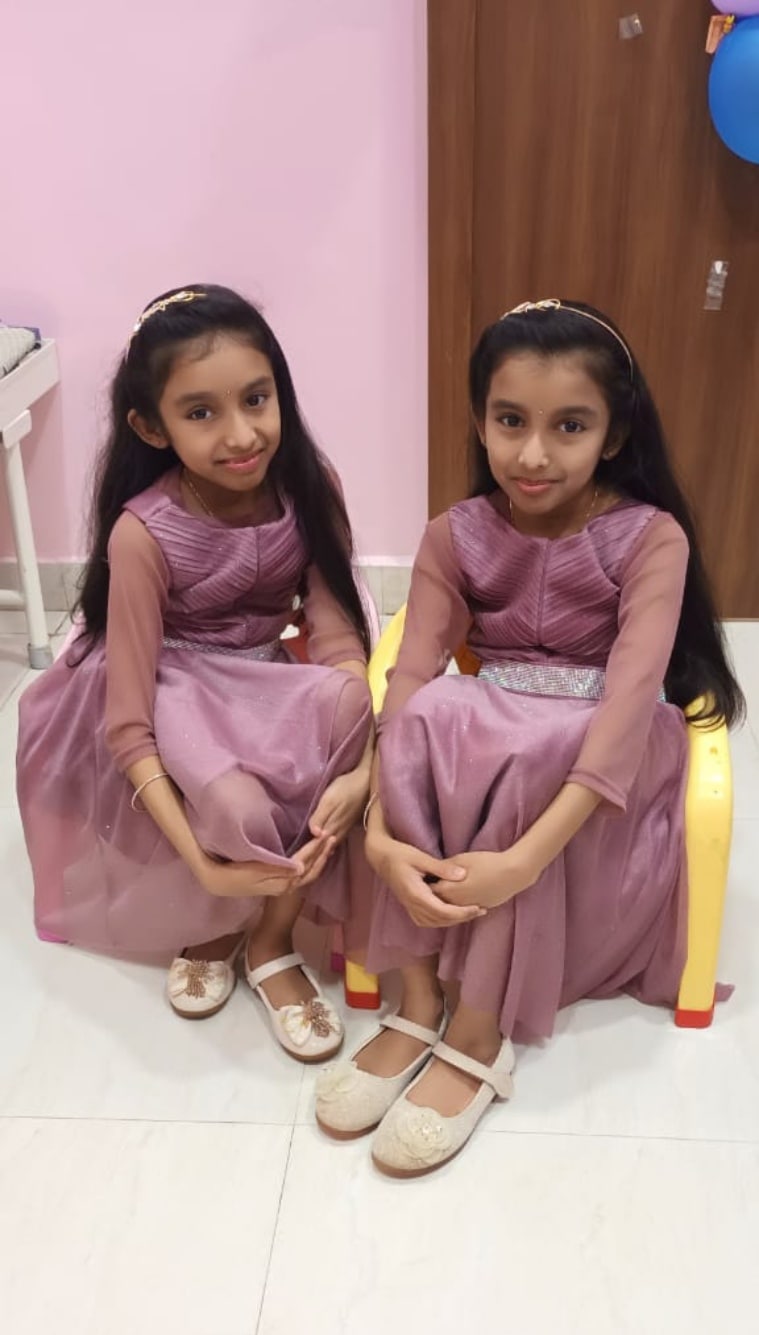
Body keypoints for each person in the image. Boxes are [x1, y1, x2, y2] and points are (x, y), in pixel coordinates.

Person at [315, 297, 744, 1172]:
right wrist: (380, 834)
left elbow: (629, 702)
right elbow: (408, 678)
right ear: (479, 420)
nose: (533, 454)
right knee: (429, 715)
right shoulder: (455, 534)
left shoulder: (649, 538)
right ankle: (418, 996)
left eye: (569, 426)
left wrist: (520, 862)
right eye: (509, 421)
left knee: (525, 755)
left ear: (614, 435)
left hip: (599, 757)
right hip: (496, 722)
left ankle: (479, 1032)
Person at [17, 284, 374, 1061]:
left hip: (260, 675)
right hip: (167, 683)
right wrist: (203, 868)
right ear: (152, 426)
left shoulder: (312, 487)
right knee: (235, 801)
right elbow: (128, 725)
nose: (241, 434)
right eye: (201, 412)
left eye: (256, 399)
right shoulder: (143, 532)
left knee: (348, 702)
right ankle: (213, 921)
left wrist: (362, 763)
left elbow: (336, 634)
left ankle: (271, 937)